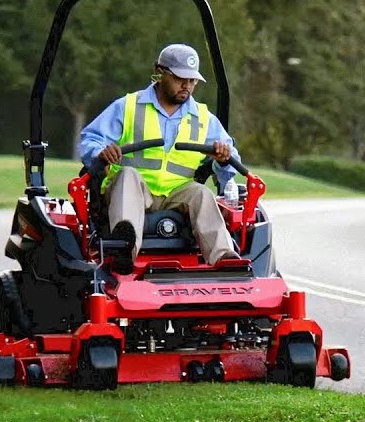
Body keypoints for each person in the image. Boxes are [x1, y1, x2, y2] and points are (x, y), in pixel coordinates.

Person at [79, 43, 243, 272]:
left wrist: (224, 158)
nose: (187, 86)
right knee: (127, 174)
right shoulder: (128, 106)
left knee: (202, 193)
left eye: (192, 81)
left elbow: (232, 160)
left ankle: (224, 257)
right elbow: (90, 139)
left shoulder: (204, 118)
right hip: (134, 190)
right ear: (160, 72)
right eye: (180, 79)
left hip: (178, 193)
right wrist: (100, 152)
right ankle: (124, 251)